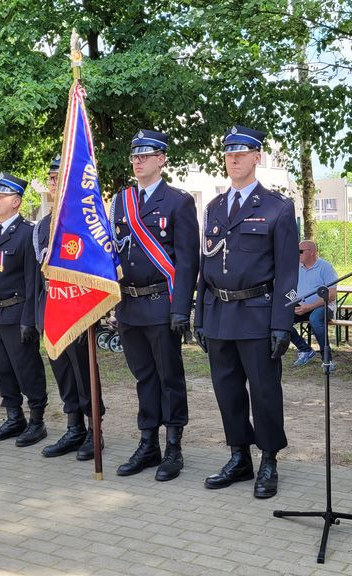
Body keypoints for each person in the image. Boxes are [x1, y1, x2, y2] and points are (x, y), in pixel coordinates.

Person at [194, 125, 299, 499]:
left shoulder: (277, 208)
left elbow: (288, 271)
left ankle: (268, 458)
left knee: (265, 391)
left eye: (242, 152)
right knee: (227, 391)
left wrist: (282, 324)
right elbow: (206, 266)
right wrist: (200, 316)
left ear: (258, 157)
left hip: (258, 313)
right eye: (228, 153)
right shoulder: (214, 208)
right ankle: (239, 456)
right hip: (219, 313)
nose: (233, 159)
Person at [109, 130, 199, 481]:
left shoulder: (178, 201)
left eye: (146, 154)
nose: (138, 160)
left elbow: (188, 261)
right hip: (129, 305)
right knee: (143, 377)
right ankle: (148, 443)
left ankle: (174, 445)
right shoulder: (121, 200)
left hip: (162, 303)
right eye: (134, 155)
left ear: (162, 159)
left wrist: (181, 308)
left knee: (169, 378)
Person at [37, 156, 107, 461]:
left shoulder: (85, 221)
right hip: (52, 311)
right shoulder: (42, 225)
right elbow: (34, 276)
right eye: (51, 179)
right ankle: (74, 426)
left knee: (84, 372)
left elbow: (96, 268)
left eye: (59, 178)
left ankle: (95, 430)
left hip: (79, 310)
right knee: (63, 372)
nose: (54, 184)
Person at [0, 172, 48, 447]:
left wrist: (29, 320)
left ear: (16, 201)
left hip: (17, 313)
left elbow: (33, 282)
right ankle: (13, 416)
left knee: (26, 368)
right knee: (2, 370)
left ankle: (37, 420)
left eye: (1, 195)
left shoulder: (27, 233)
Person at [290, 240, 337, 371]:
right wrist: (293, 303)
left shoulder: (325, 267)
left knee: (315, 319)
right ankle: (305, 350)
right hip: (302, 305)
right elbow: (291, 290)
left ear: (311, 252)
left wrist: (309, 307)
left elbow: (331, 295)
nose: (297, 254)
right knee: (282, 319)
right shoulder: (296, 267)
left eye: (300, 251)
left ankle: (327, 360)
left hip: (324, 306)